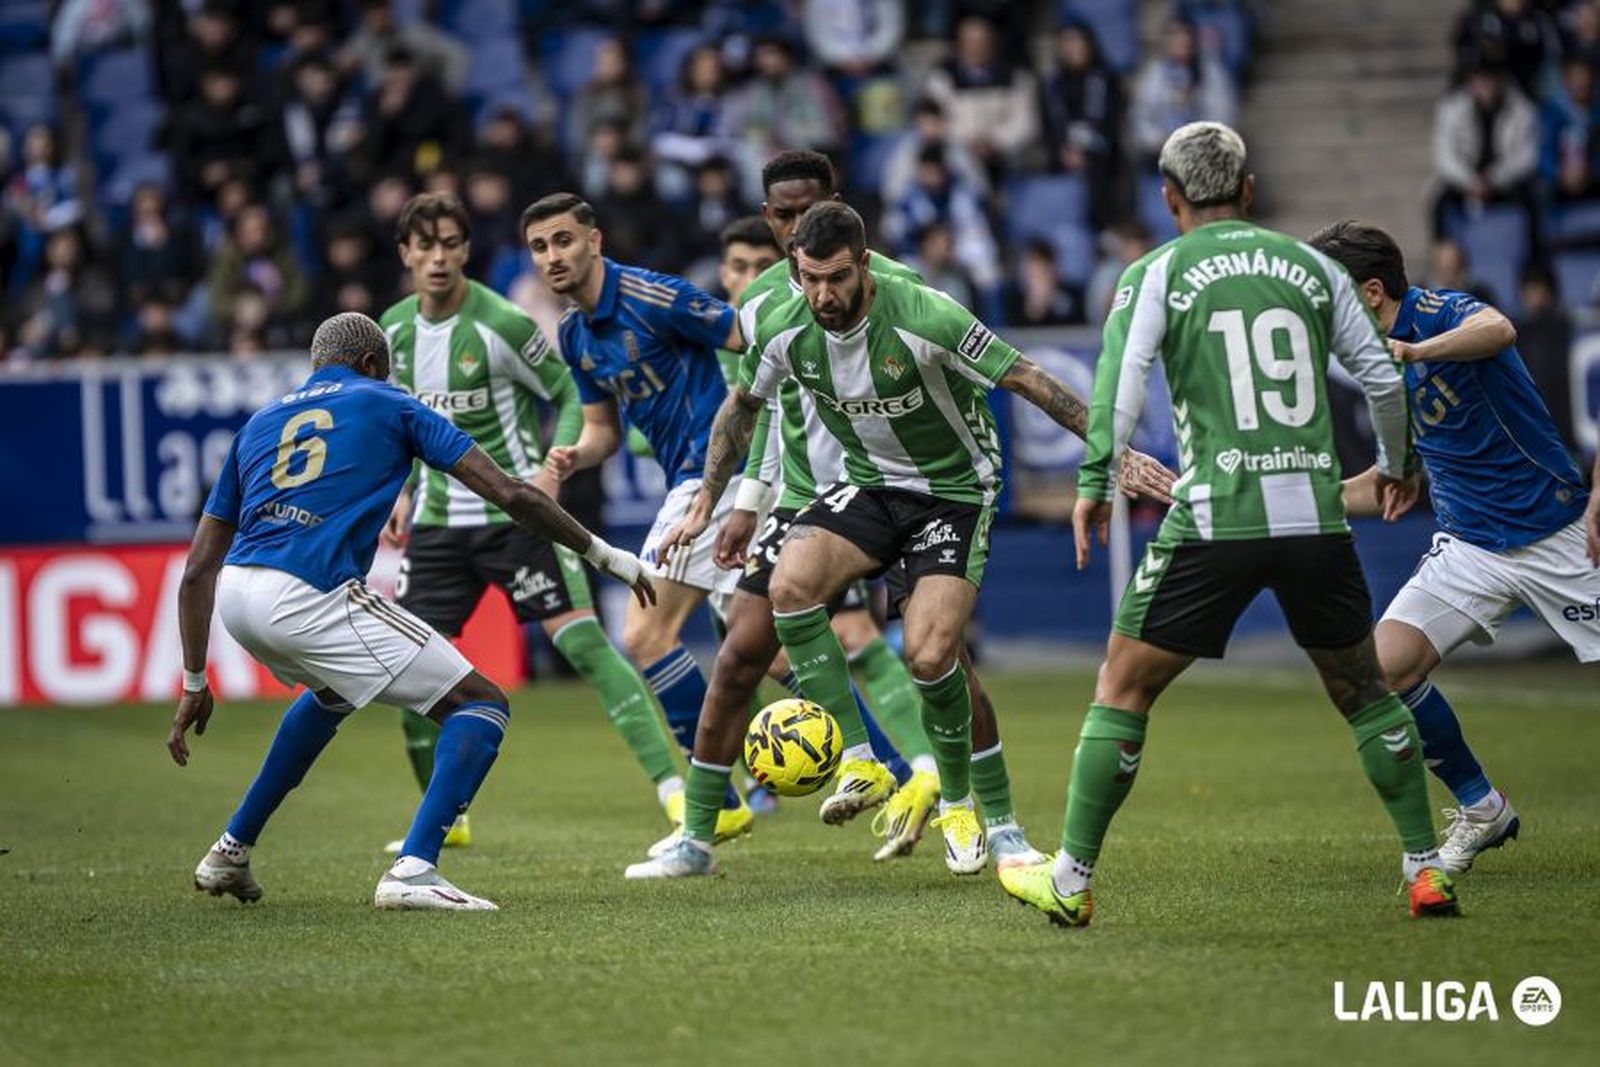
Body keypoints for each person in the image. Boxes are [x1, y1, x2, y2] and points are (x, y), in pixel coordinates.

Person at [998, 122, 1458, 929]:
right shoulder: (1312, 267)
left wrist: (1096, 475)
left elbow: (1120, 381)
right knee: (1363, 690)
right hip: (1314, 517)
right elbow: (1383, 377)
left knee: (1123, 686)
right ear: (1249, 191)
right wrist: (1397, 464)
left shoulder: (1155, 271)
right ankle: (1426, 869)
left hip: (1215, 518)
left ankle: (1069, 878)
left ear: (1170, 198)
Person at [660, 199, 1174, 880]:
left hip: (953, 491)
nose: (823, 294)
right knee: (789, 586)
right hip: (870, 486)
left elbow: (1026, 375)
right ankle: (860, 761)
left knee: (932, 658)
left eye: (837, 278)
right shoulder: (783, 327)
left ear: (864, 265)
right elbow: (743, 406)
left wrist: (1110, 449)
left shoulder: (924, 314)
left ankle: (973, 809)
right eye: (810, 277)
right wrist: (710, 494)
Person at [167, 312, 652, 911]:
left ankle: (229, 852)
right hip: (308, 592)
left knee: (330, 694)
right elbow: (511, 493)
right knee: (480, 703)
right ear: (374, 365)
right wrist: (603, 554)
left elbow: (195, 571)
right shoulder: (391, 402)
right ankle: (415, 868)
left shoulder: (262, 421)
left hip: (238, 595)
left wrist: (193, 679)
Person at [623, 154, 971, 877]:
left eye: (802, 213)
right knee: (743, 655)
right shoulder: (764, 309)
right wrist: (745, 504)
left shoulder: (895, 286)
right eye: (779, 216)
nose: (790, 231)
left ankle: (955, 792)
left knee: (923, 652)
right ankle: (702, 831)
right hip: (802, 502)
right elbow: (768, 415)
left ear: (839, 212)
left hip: (891, 493)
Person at [374, 192, 683, 852]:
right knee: (409, 675)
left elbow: (572, 393)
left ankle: (676, 793)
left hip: (513, 516)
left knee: (583, 645)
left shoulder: (504, 324)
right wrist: (394, 491)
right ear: (405, 254)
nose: (437, 257)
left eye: (450, 243)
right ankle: (445, 818)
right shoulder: (392, 331)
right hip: (434, 526)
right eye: (423, 246)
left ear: (466, 250)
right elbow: (390, 424)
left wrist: (553, 467)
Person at [1311, 220, 1597, 874]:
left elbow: (1500, 330)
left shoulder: (1436, 311)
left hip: (1556, 533)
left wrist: (1414, 354)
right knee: (1382, 669)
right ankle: (1482, 805)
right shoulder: (1373, 365)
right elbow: (1387, 480)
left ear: (1373, 291)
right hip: (1470, 547)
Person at [521, 191, 754, 837]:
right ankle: (893, 772)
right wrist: (574, 456)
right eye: (540, 247)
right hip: (697, 479)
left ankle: (717, 802)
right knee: (769, 642)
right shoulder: (574, 334)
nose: (552, 256)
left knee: (645, 633)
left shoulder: (657, 296)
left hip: (719, 472)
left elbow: (749, 341)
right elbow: (605, 429)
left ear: (594, 241)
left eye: (564, 240)